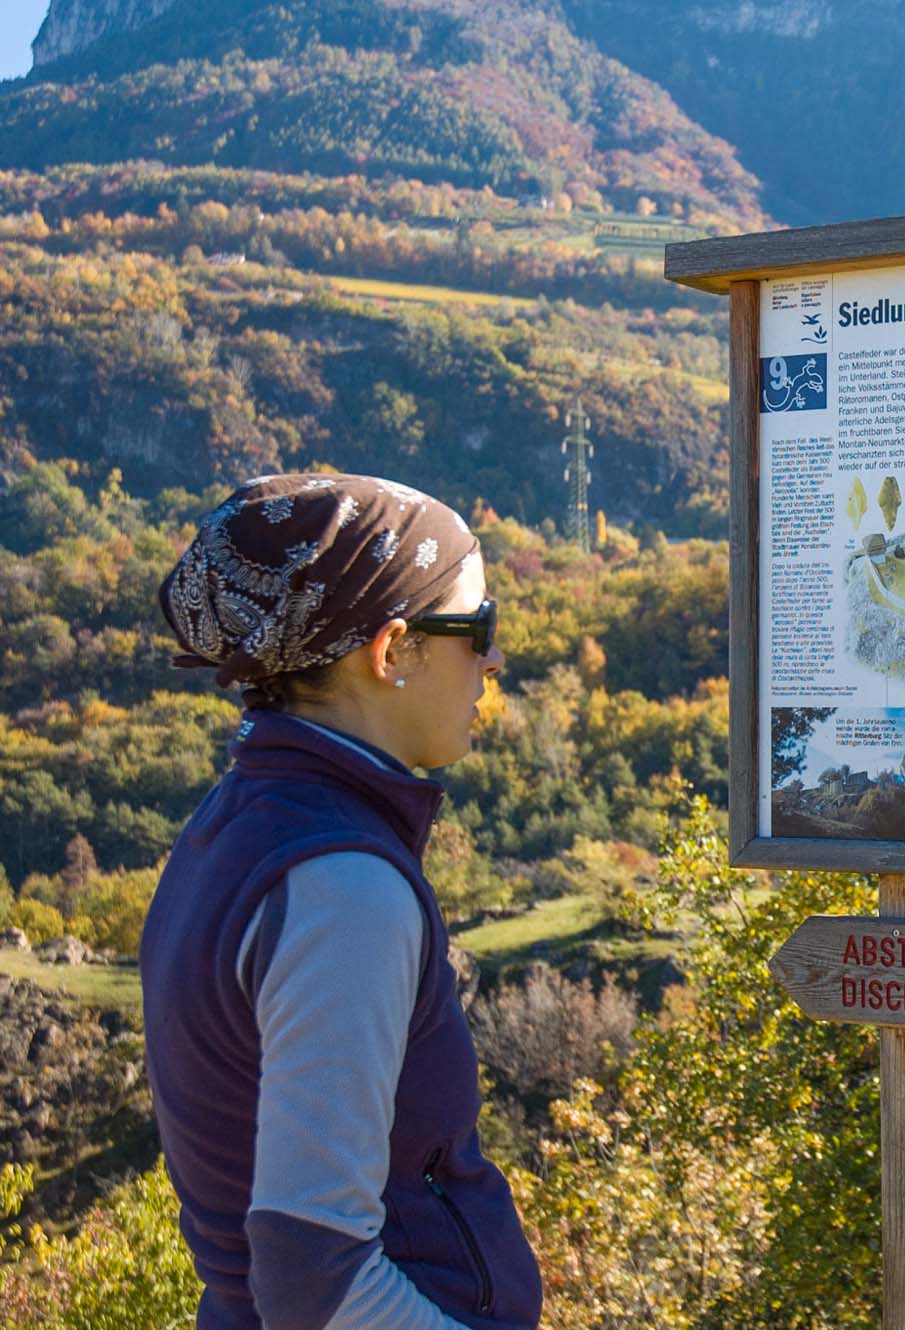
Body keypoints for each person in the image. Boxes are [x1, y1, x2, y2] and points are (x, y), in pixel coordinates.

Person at [143, 474, 540, 1330]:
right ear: (392, 652)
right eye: (478, 629)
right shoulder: (344, 889)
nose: (495, 658)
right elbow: (317, 1279)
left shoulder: (235, 824)